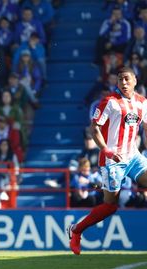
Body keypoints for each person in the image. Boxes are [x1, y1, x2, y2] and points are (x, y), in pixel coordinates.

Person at [67, 67, 147, 255]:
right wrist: (106, 150)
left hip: (133, 156)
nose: (124, 83)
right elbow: (94, 129)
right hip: (112, 160)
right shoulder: (109, 102)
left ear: (135, 80)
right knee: (111, 205)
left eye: (127, 79)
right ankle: (76, 230)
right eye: (120, 80)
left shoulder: (143, 103)